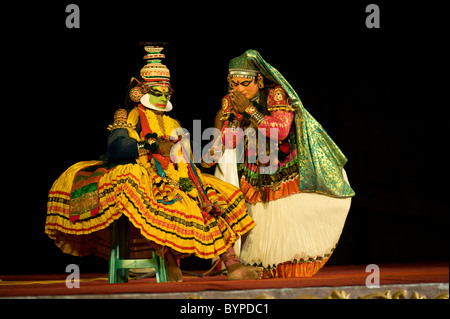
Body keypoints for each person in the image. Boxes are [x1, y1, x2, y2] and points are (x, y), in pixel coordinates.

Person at [45, 46, 263, 282]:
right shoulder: (129, 116)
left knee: (214, 198)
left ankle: (232, 266)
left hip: (177, 179)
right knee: (163, 201)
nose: (164, 97)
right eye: (157, 92)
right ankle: (168, 263)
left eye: (167, 92)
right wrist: (154, 147)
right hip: (145, 177)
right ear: (140, 92)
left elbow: (188, 160)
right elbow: (117, 148)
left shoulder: (172, 122)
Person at [209, 49, 355, 278]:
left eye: (245, 83)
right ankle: (260, 268)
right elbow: (231, 136)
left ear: (259, 79)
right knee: (260, 216)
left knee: (287, 214)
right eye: (233, 84)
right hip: (252, 166)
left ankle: (289, 268)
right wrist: (218, 144)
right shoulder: (231, 99)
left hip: (284, 164)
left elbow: (281, 130)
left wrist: (248, 109)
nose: (239, 89)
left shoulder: (275, 94)